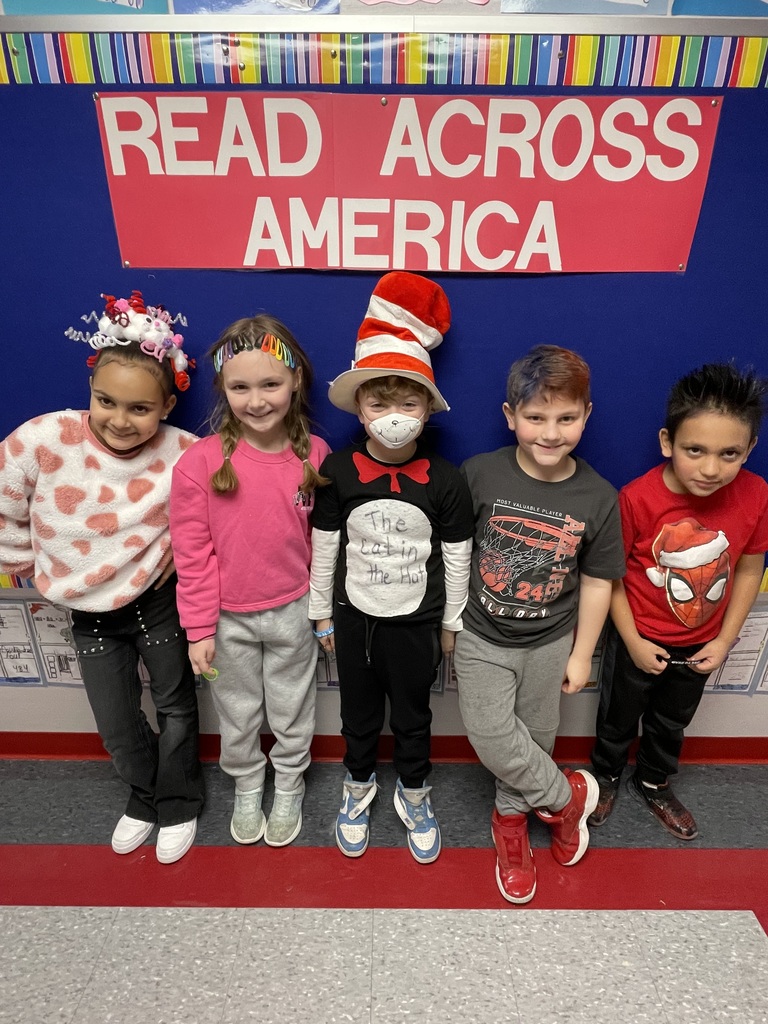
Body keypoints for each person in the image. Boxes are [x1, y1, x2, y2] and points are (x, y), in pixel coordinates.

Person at [0, 290, 205, 864]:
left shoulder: (186, 453)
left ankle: (181, 801)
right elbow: (5, 503)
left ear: (166, 406)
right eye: (105, 401)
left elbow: (218, 516)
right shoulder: (42, 438)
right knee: (116, 722)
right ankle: (145, 795)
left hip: (158, 603)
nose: (119, 419)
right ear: (89, 389)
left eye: (140, 408)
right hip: (89, 612)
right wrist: (30, 567)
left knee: (177, 707)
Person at [309, 272, 474, 864]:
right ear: (359, 405)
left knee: (413, 714)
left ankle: (414, 790)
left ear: (427, 409)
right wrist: (320, 617)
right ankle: (358, 784)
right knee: (358, 713)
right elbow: (325, 548)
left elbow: (457, 557)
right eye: (380, 402)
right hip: (353, 619)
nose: (394, 414)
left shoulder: (447, 481)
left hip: (417, 622)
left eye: (408, 402)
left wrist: (451, 624)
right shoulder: (339, 472)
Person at [454, 344, 625, 904]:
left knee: (536, 737)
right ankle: (568, 798)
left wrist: (582, 654)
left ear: (587, 415)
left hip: (551, 641)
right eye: (535, 418)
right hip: (482, 635)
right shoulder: (479, 475)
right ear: (510, 417)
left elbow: (599, 580)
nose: (550, 433)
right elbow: (453, 554)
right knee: (490, 733)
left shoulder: (598, 497)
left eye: (566, 418)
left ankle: (510, 824)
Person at [170, 315, 330, 848]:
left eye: (270, 384)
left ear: (295, 383)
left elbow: (323, 546)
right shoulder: (199, 463)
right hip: (225, 617)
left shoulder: (316, 456)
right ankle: (246, 784)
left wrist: (322, 610)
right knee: (236, 712)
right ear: (223, 389)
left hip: (294, 609)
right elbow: (191, 555)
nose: (256, 400)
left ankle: (288, 783)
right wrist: (197, 629)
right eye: (240, 387)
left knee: (292, 705)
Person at [589, 363, 768, 840]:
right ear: (668, 442)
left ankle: (653, 781)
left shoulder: (756, 493)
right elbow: (611, 576)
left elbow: (751, 565)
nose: (711, 468)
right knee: (616, 716)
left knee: (672, 721)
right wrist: (631, 640)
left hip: (702, 643)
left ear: (750, 449)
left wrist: (726, 640)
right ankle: (604, 777)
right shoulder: (636, 498)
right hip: (637, 637)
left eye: (729, 453)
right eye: (695, 450)